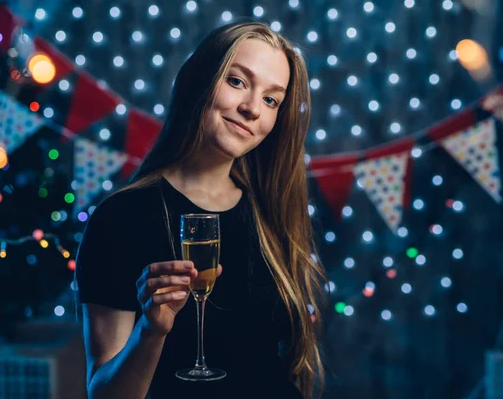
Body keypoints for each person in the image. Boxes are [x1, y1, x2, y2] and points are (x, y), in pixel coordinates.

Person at [75, 20, 329, 399]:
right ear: (200, 80)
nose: (251, 109)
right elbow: (105, 395)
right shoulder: (120, 218)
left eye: (271, 99)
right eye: (238, 81)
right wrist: (151, 331)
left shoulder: (269, 212)